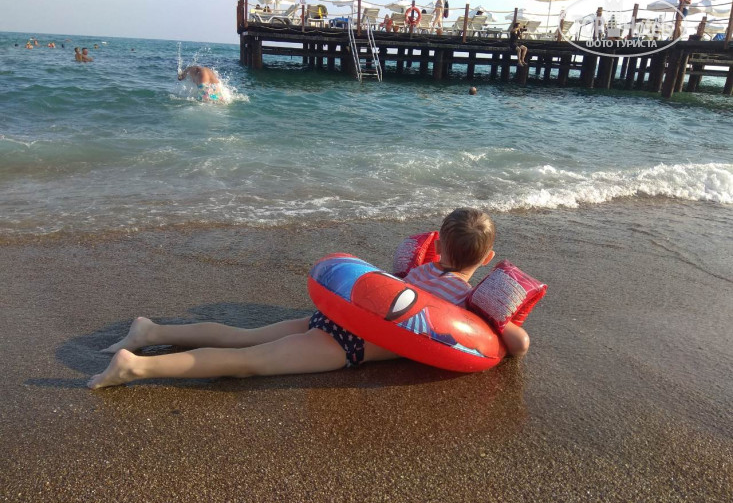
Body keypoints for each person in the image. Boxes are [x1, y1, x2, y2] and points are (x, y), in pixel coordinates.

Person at [88, 208, 530, 389]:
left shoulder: (418, 272)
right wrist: (498, 320)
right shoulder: (467, 302)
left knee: (243, 337)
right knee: (248, 363)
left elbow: (384, 295)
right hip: (345, 345)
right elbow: (514, 345)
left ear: (440, 246)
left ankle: (152, 331)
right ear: (487, 259)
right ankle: (136, 366)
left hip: (329, 321)